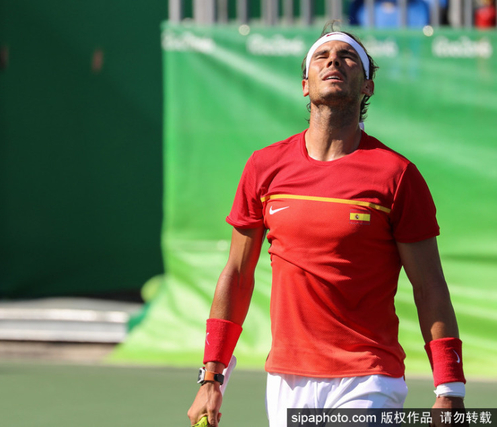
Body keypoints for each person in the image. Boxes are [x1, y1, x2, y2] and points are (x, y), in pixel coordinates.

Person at [187, 24, 466, 427]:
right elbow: (237, 274)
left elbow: (429, 286)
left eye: (348, 56)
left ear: (367, 86)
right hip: (287, 380)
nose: (334, 60)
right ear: (305, 85)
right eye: (322, 56)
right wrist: (212, 376)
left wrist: (450, 387)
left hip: (369, 376)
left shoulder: (397, 175)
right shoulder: (264, 167)